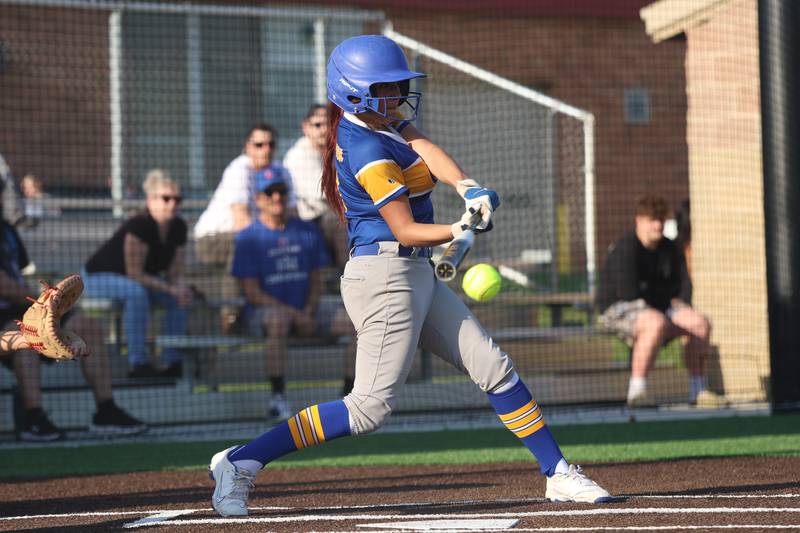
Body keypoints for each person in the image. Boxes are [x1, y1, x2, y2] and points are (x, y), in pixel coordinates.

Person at [208, 35, 612, 517]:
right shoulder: (363, 147)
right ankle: (240, 461)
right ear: (353, 92)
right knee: (367, 409)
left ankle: (557, 472)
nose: (397, 94)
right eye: (384, 87)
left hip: (414, 270)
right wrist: (459, 228)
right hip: (383, 277)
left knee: (493, 366)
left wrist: (468, 187)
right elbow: (403, 228)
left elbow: (425, 149)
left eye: (398, 85)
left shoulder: (383, 120)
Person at [0, 192, 146, 440]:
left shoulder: (7, 230)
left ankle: (106, 411)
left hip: (27, 308)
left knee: (87, 325)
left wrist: (48, 307)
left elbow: (18, 275)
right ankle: (34, 418)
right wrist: (42, 302)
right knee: (26, 341)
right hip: (6, 315)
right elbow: (4, 285)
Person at [232, 169, 356, 420]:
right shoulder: (248, 238)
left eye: (281, 191)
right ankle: (277, 398)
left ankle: (351, 397)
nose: (276, 197)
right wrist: (297, 315)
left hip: (308, 309)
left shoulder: (306, 231)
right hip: (265, 313)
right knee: (278, 321)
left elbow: (316, 281)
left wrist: (307, 311)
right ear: (258, 199)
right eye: (270, 192)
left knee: (358, 324)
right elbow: (252, 292)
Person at [596, 193, 726, 409]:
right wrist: (664, 301)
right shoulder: (626, 247)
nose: (657, 225)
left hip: (659, 310)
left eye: (661, 220)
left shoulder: (670, 248)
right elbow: (629, 293)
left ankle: (698, 390)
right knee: (655, 323)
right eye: (652, 220)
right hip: (618, 309)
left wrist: (676, 302)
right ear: (639, 220)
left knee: (699, 323)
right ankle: (637, 393)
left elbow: (684, 286)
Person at [83, 169, 193, 379]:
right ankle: (138, 363)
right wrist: (170, 288)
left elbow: (175, 273)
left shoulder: (179, 227)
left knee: (178, 299)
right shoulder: (139, 225)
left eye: (177, 199)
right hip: (97, 278)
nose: (173, 204)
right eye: (166, 198)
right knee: (136, 293)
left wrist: (179, 288)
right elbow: (135, 273)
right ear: (151, 201)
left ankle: (172, 361)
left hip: (138, 281)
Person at [193, 124, 295, 333]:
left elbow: (292, 214)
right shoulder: (239, 169)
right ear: (247, 147)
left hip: (258, 236)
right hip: (211, 239)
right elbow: (242, 222)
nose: (265, 149)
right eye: (259, 145)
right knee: (243, 244)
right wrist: (274, 242)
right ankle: (231, 317)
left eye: (270, 144)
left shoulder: (281, 171)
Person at [284, 104, 349, 269]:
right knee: (340, 221)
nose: (324, 130)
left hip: (328, 213)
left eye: (328, 124)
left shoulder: (333, 149)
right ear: (306, 127)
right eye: (317, 125)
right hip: (307, 220)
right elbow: (328, 195)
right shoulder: (299, 155)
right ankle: (349, 273)